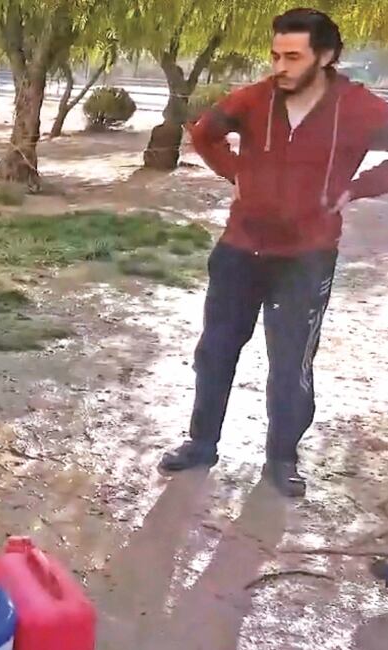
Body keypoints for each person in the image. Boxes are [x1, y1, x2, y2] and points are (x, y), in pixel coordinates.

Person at [160, 8, 388, 497]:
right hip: (240, 250)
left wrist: (357, 188)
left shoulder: (358, 107)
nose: (279, 66)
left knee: (290, 363)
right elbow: (204, 131)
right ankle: (201, 444)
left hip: (306, 258)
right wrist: (235, 173)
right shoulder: (256, 98)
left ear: (325, 57)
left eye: (292, 56)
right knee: (215, 351)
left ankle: (282, 460)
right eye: (275, 55)